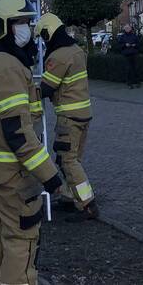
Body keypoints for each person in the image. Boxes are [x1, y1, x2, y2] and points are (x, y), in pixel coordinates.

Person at [0, 0, 62, 285]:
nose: (26, 29)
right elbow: (19, 134)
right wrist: (50, 176)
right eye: (20, 22)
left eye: (27, 22)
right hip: (11, 176)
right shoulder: (7, 67)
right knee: (21, 239)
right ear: (0, 26)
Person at [36, 13, 98, 222]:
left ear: (48, 33)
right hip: (83, 114)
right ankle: (70, 197)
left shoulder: (58, 56)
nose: (44, 41)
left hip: (69, 117)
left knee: (68, 161)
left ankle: (87, 205)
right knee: (73, 160)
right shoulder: (77, 50)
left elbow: (46, 88)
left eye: (43, 36)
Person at [118, 24, 141, 89]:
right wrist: (125, 45)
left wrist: (135, 45)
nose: (127, 29)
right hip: (126, 55)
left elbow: (139, 44)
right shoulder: (122, 37)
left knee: (136, 68)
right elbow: (119, 45)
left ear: (130, 29)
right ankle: (129, 83)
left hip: (134, 54)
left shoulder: (134, 36)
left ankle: (137, 82)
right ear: (124, 29)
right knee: (128, 69)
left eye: (128, 28)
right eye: (126, 28)